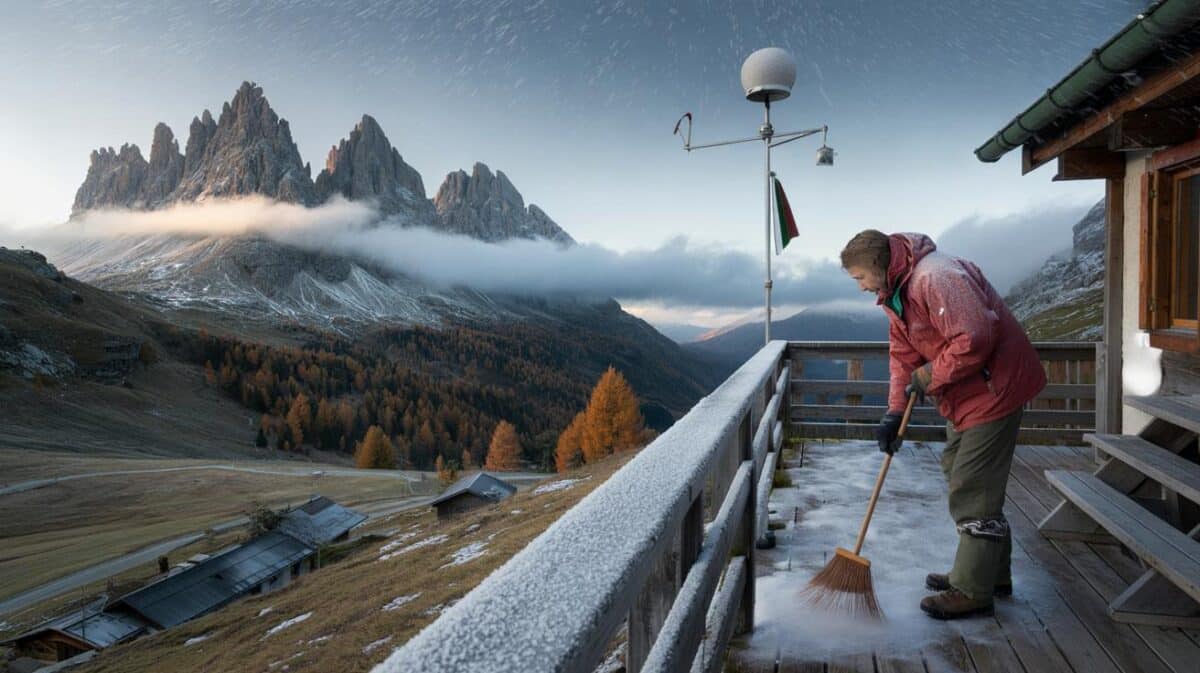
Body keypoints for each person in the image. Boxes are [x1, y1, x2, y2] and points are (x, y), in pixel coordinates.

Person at [840, 229, 1045, 619]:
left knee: (972, 486)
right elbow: (903, 357)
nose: (861, 287)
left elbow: (975, 338)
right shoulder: (895, 294)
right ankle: (989, 573)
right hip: (967, 393)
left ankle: (972, 590)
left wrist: (929, 376)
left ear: (878, 265)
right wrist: (894, 412)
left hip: (995, 387)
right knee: (958, 473)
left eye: (860, 278)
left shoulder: (936, 277)